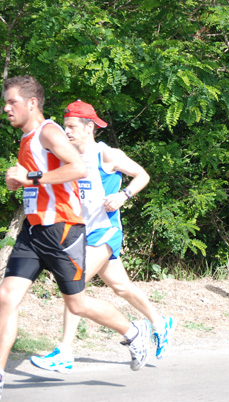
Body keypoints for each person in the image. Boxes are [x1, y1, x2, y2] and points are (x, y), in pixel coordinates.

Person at [0, 76, 150, 399]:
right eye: (5, 102)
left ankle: (133, 332)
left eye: (12, 102)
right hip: (33, 230)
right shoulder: (27, 138)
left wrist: (31, 178)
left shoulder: (48, 131)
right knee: (6, 298)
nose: (6, 108)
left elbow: (79, 168)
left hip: (63, 230)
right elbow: (38, 181)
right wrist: (22, 183)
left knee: (78, 304)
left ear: (31, 104)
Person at [30, 100, 176, 373]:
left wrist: (123, 195)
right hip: (81, 232)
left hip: (105, 231)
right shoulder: (67, 155)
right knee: (121, 287)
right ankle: (159, 322)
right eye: (65, 126)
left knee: (75, 284)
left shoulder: (107, 155)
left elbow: (142, 175)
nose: (67, 131)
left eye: (72, 126)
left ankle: (64, 351)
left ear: (89, 128)